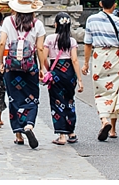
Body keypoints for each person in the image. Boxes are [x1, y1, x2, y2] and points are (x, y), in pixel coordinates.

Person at [0, 0, 46, 149]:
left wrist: (1, 62)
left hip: (11, 67)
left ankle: (18, 135)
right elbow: (39, 48)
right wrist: (42, 68)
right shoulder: (37, 24)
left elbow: (2, 43)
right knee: (32, 98)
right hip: (29, 67)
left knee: (14, 98)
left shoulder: (7, 21)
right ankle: (29, 125)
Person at [82, 0, 119, 141]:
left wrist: (85, 63)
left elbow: (87, 43)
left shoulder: (91, 20)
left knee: (100, 92)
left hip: (98, 57)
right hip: (115, 57)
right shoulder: (118, 22)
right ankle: (113, 129)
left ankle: (104, 120)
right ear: (115, 5)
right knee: (114, 91)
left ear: (100, 4)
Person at [43, 12, 83, 145]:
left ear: (55, 24)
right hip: (69, 73)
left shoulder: (49, 39)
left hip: (56, 74)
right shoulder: (72, 41)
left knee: (57, 103)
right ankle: (71, 132)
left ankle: (61, 135)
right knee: (70, 102)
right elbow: (75, 60)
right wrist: (80, 79)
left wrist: (48, 69)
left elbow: (44, 57)